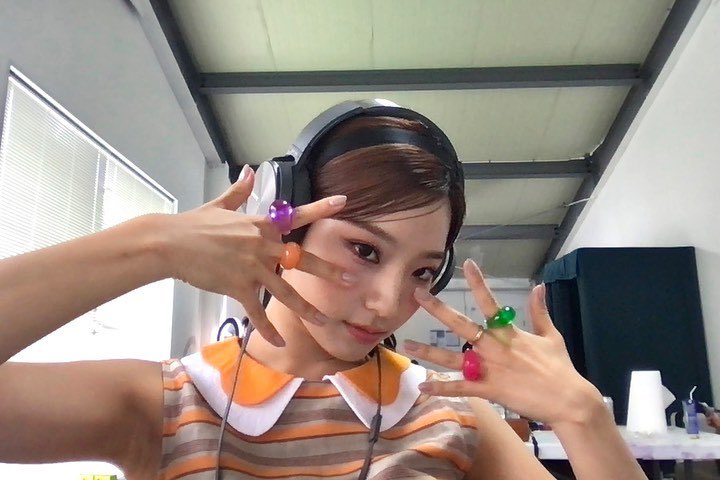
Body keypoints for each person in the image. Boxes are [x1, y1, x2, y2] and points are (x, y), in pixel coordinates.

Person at [0, 100, 647, 480]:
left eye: (423, 272)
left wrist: (581, 415)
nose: (388, 304)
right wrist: (150, 245)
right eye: (364, 250)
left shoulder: (450, 417)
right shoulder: (164, 405)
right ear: (283, 221)